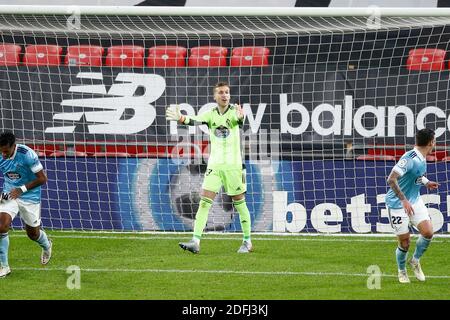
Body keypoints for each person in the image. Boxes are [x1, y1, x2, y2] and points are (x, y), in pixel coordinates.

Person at [166, 81, 252, 254]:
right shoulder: (211, 115)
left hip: (233, 167)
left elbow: (239, 120)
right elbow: (194, 121)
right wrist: (180, 118)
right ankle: (195, 241)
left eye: (227, 92)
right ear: (215, 96)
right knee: (204, 202)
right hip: (214, 166)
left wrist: (242, 116)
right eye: (221, 92)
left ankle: (247, 241)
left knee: (239, 204)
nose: (225, 95)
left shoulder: (235, 113)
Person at [385, 128, 439, 283]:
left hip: (414, 201)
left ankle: (415, 261)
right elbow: (391, 179)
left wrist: (426, 182)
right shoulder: (409, 158)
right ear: (430, 142)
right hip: (397, 204)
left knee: (428, 232)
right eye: (434, 140)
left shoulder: (422, 157)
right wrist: (403, 200)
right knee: (405, 242)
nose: (435, 143)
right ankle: (401, 271)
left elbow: (416, 175)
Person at [0, 131, 52, 278]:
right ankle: (4, 267)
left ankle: (47, 245)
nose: (3, 154)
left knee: (33, 234)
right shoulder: (0, 154)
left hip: (30, 196)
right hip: (9, 194)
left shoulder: (28, 155)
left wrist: (21, 189)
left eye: (6, 151)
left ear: (13, 146)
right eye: (1, 151)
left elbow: (42, 179)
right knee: (2, 225)